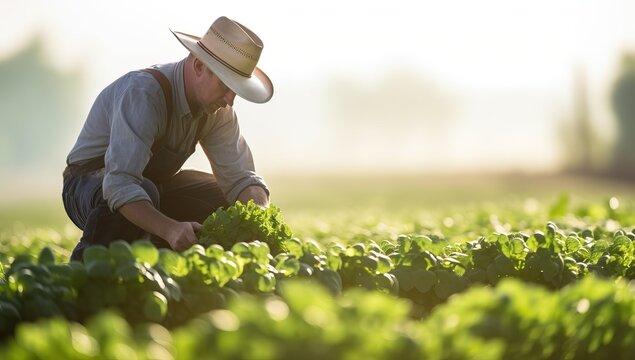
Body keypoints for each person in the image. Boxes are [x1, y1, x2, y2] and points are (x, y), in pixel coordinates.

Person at [62, 16, 273, 261]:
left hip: (149, 187)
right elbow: (119, 184)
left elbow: (242, 179)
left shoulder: (218, 110)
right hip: (88, 184)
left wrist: (256, 216)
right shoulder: (143, 93)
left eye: (235, 90)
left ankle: (163, 265)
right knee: (143, 190)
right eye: (226, 85)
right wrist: (170, 229)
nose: (230, 100)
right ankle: (85, 267)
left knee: (221, 196)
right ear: (198, 66)